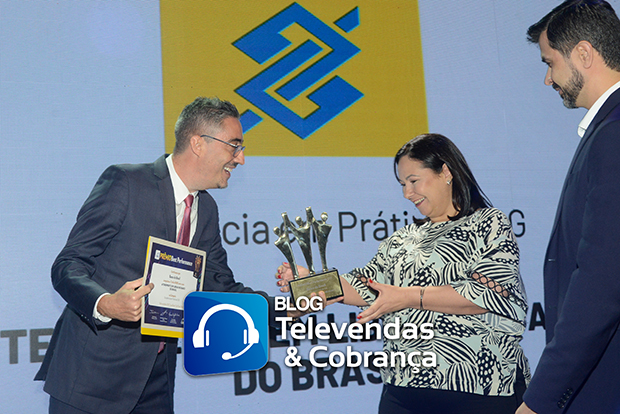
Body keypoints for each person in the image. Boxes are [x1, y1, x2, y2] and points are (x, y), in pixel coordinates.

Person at [35, 97, 292, 414]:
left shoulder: (206, 209)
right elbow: (68, 266)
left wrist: (288, 307)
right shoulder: (127, 183)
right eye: (234, 146)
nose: (240, 158)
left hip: (156, 381)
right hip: (91, 379)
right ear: (198, 143)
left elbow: (220, 288)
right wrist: (106, 304)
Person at [277, 134, 530, 414]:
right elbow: (365, 285)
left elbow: (490, 295)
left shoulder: (488, 223)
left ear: (445, 172)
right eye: (402, 184)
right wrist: (310, 282)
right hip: (403, 389)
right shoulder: (402, 239)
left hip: (479, 388)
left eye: (413, 181)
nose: (407, 194)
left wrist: (408, 297)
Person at [518, 1, 620, 413]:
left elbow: (600, 284)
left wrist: (540, 400)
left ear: (583, 53)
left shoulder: (612, 136)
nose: (548, 79)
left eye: (550, 62)